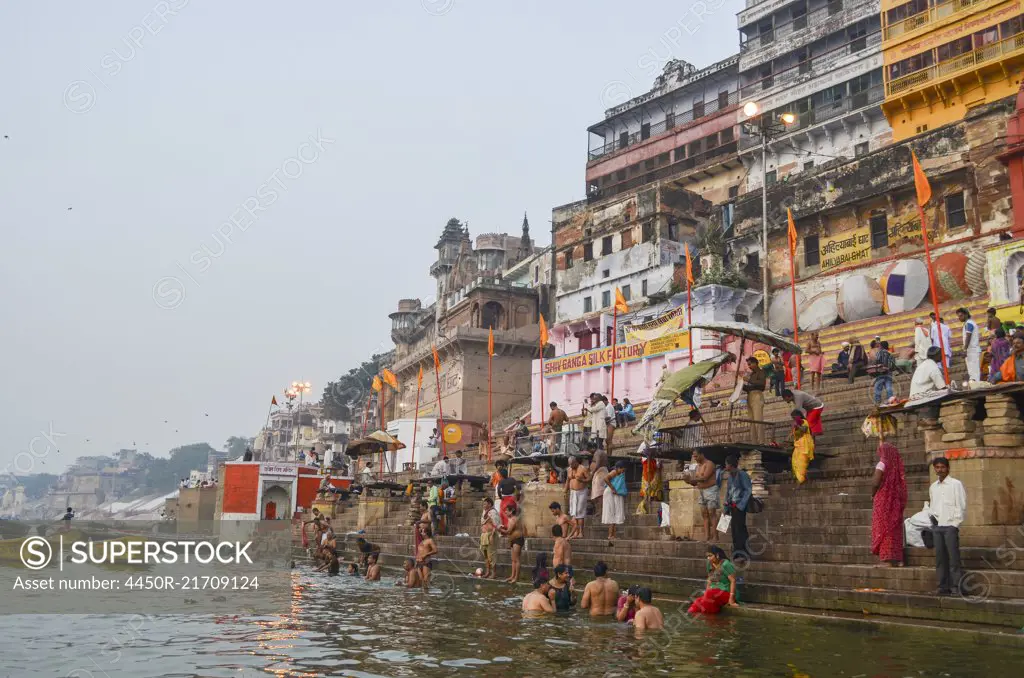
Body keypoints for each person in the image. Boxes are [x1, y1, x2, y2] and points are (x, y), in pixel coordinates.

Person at [929, 457, 967, 595]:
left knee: (953, 558)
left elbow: (961, 505)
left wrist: (955, 524)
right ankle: (942, 586)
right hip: (937, 527)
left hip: (950, 526)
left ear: (947, 468)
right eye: (937, 467)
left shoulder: (955, 484)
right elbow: (933, 506)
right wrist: (933, 522)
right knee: (940, 558)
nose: (940, 470)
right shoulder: (933, 487)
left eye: (942, 467)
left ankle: (956, 586)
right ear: (934, 469)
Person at [871, 442, 907, 567]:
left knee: (884, 528)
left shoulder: (882, 463)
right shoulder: (897, 465)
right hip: (896, 499)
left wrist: (873, 494)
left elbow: (876, 481)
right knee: (894, 527)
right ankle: (897, 559)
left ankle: (887, 560)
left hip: (884, 499)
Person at [688, 545, 738, 615]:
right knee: (696, 604)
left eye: (710, 556)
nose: (708, 558)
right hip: (712, 594)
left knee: (708, 595)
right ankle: (711, 620)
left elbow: (733, 581)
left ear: (717, 555)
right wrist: (705, 596)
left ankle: (710, 620)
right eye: (707, 556)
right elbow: (709, 580)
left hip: (726, 593)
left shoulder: (726, 564)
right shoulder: (709, 564)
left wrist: (731, 599)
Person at [686, 450, 720, 542]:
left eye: (696, 456)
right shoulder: (697, 467)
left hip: (711, 490)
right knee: (704, 514)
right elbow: (695, 482)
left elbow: (704, 478)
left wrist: (691, 479)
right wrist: (688, 480)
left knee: (712, 513)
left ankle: (716, 537)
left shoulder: (709, 464)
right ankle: (707, 537)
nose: (695, 458)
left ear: (702, 454)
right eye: (694, 456)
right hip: (701, 491)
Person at [724, 454, 752, 564]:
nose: (725, 466)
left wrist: (741, 505)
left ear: (730, 465)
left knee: (740, 530)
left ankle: (743, 553)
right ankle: (737, 553)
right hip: (732, 506)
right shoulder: (731, 476)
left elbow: (748, 490)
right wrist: (726, 506)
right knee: (734, 531)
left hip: (740, 507)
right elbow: (728, 492)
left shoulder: (742, 475)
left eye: (726, 464)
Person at [910, 346, 948, 424]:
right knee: (947, 392)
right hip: (922, 395)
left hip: (914, 395)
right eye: (940, 354)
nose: (942, 356)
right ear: (936, 355)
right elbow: (942, 387)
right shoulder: (933, 367)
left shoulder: (923, 364)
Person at [602, 461, 628, 544]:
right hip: (610, 493)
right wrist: (613, 488)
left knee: (615, 512)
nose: (623, 471)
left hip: (614, 493)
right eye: (622, 470)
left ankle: (613, 535)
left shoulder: (620, 473)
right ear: (618, 468)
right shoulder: (614, 472)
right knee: (612, 513)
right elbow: (605, 479)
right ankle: (610, 535)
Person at [565, 456, 590, 539]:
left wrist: (582, 480)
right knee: (573, 512)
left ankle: (581, 533)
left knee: (580, 512)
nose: (571, 466)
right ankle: (576, 532)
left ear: (576, 462)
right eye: (569, 464)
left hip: (581, 492)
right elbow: (568, 480)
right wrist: (565, 490)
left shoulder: (583, 469)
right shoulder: (569, 469)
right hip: (572, 492)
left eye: (572, 464)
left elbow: (589, 479)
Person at [742, 357, 766, 441]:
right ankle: (754, 442)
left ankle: (761, 441)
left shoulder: (761, 372)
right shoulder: (751, 374)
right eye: (748, 365)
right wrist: (741, 386)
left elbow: (762, 384)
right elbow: (749, 388)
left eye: (750, 364)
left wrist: (749, 380)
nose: (749, 366)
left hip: (757, 395)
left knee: (758, 420)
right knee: (751, 421)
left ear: (755, 363)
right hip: (750, 396)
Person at [500, 502, 525, 584]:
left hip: (518, 539)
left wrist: (499, 529)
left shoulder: (513, 519)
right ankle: (512, 576)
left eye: (507, 511)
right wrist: (503, 527)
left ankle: (516, 578)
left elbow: (508, 531)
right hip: (512, 540)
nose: (506, 512)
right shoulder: (511, 519)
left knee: (517, 559)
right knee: (513, 559)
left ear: (511, 511)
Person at [790, 410, 814, 485]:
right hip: (798, 446)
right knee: (794, 462)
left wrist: (798, 426)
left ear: (798, 416)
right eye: (792, 418)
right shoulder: (795, 423)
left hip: (805, 446)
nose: (793, 419)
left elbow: (805, 429)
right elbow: (795, 435)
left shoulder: (804, 421)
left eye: (794, 417)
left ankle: (800, 481)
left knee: (801, 464)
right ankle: (803, 479)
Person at [957, 307, 981, 383]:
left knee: (974, 373)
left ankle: (977, 388)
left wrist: (964, 349)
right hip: (971, 351)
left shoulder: (969, 323)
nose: (959, 318)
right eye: (958, 316)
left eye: (961, 316)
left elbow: (968, 336)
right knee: (972, 372)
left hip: (972, 351)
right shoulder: (967, 323)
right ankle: (974, 387)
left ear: (966, 315)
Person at [637, 448, 663, 515]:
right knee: (647, 490)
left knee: (654, 490)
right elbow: (648, 471)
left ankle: (652, 498)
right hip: (648, 478)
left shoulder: (653, 461)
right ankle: (647, 500)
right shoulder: (646, 462)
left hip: (653, 478)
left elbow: (656, 468)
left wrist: (658, 466)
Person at [479, 497, 499, 579]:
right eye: (483, 504)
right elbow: (482, 523)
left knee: (492, 555)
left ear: (490, 504)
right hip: (484, 535)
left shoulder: (493, 512)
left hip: (491, 535)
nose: (483, 505)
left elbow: (496, 524)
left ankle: (493, 573)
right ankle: (487, 572)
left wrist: (491, 535)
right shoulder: (484, 512)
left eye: (485, 504)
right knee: (486, 555)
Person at [588, 440, 609, 516]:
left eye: (589, 450)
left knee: (600, 494)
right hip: (602, 472)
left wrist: (592, 473)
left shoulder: (597, 453)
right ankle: (601, 510)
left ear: (593, 448)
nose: (590, 452)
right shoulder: (601, 452)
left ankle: (601, 511)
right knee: (599, 493)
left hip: (600, 473)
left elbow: (597, 463)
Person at [415, 524, 438, 590]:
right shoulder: (422, 541)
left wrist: (426, 554)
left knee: (426, 582)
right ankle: (421, 598)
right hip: (419, 563)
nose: (421, 533)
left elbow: (435, 550)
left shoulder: (430, 540)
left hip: (426, 563)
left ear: (426, 533)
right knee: (420, 581)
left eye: (422, 531)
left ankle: (427, 598)